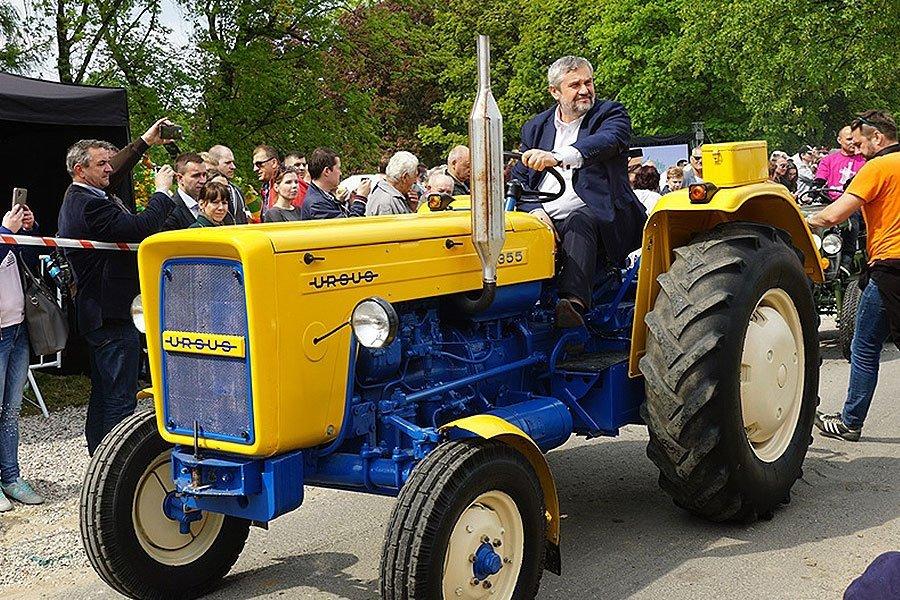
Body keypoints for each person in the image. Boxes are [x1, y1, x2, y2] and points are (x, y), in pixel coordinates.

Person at [510, 55, 646, 328]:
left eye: (588, 82)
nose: (585, 90)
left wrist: (558, 157)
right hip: (544, 216)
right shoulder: (535, 127)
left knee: (578, 219)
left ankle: (572, 307)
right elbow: (520, 180)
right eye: (575, 85)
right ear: (555, 92)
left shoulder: (610, 114)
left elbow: (607, 141)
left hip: (602, 216)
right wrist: (536, 212)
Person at [57, 140, 175, 455]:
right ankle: (116, 464)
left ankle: (99, 455)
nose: (110, 169)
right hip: (109, 312)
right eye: (101, 164)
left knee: (105, 391)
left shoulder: (86, 195)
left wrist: (145, 142)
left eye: (110, 163)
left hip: (103, 311)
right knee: (119, 395)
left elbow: (116, 174)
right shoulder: (89, 202)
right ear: (80, 170)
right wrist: (162, 192)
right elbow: (141, 227)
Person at [808, 110, 899, 441]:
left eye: (860, 143)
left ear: (878, 137)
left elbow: (834, 214)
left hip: (889, 266)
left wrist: (798, 222)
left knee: (863, 347)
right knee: (867, 342)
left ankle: (850, 422)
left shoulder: (878, 167)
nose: (857, 151)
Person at [0, 204, 44, 510]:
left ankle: (11, 477)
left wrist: (28, 231)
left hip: (17, 330)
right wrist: (6, 233)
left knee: (12, 411)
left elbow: (27, 263)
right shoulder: (4, 230)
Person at [300, 148, 367, 219]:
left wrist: (348, 203)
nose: (340, 173)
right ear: (327, 171)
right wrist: (360, 199)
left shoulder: (322, 195)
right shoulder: (317, 204)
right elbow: (348, 227)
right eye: (338, 168)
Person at [816, 125, 866, 200]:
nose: (853, 142)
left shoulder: (865, 160)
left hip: (857, 202)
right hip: (833, 201)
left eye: (855, 139)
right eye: (849, 139)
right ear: (839, 140)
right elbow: (819, 180)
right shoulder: (828, 160)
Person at [366, 151, 420, 216]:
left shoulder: (386, 194)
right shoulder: (386, 203)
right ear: (405, 177)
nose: (415, 181)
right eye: (415, 176)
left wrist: (411, 209)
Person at [163, 152, 208, 230]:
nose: (203, 180)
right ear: (180, 178)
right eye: (196, 175)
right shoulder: (169, 212)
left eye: (204, 175)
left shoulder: (211, 204)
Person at [207, 145, 249, 224]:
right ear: (214, 163)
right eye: (227, 163)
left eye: (233, 162)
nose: (233, 167)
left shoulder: (237, 191)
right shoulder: (205, 191)